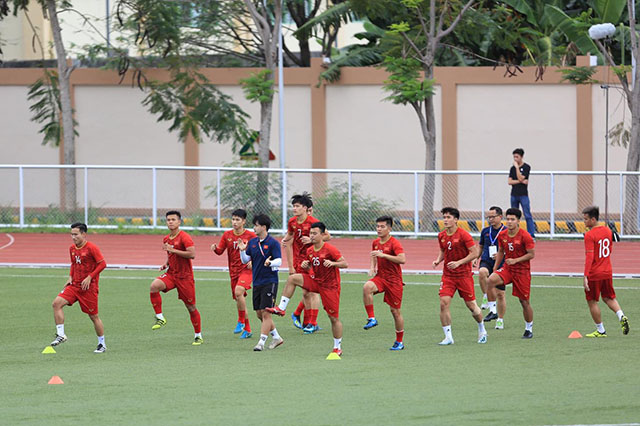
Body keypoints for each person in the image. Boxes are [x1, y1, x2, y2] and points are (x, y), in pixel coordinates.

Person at [268, 222, 348, 357]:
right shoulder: (309, 250)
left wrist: (334, 263)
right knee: (293, 278)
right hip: (316, 282)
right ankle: (281, 308)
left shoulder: (330, 249)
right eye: (310, 233)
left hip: (330, 287)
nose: (311, 236)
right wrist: (306, 265)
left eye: (314, 233)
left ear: (323, 235)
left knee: (333, 318)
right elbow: (311, 265)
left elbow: (344, 263)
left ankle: (337, 347)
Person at [50, 223, 108, 353]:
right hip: (74, 286)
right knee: (56, 304)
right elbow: (73, 263)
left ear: (84, 234)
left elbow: (103, 264)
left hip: (88, 288)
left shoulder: (92, 248)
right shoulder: (72, 248)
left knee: (93, 316)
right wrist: (70, 276)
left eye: (76, 234)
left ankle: (102, 344)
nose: (73, 237)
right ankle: (61, 335)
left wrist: (90, 277)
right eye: (71, 234)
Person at [432, 208, 486, 345]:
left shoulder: (464, 235)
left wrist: (459, 263)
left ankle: (482, 329)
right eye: (444, 217)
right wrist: (438, 260)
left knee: (472, 306)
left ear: (456, 219)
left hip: (464, 276)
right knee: (443, 303)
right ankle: (448, 337)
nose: (445, 219)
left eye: (448, 217)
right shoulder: (442, 235)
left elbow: (474, 253)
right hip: (448, 276)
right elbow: (444, 250)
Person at [149, 211, 202, 345]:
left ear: (179, 222)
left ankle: (198, 335)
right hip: (172, 274)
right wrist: (166, 263)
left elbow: (192, 254)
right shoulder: (166, 238)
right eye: (168, 220)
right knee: (154, 286)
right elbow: (170, 254)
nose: (170, 222)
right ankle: (160, 317)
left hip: (185, 277)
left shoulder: (185, 237)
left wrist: (173, 251)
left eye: (173, 219)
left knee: (191, 307)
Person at [281, 193, 327, 334]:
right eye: (293, 206)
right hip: (299, 261)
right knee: (306, 292)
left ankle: (311, 322)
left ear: (305, 208)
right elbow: (290, 234)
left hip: (313, 261)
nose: (294, 209)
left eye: (297, 206)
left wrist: (312, 240)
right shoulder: (292, 222)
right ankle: (309, 323)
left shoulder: (313, 222)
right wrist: (284, 239)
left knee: (313, 292)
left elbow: (327, 236)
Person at [486, 208, 535, 338]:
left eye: (512, 219)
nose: (509, 222)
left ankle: (528, 328)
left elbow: (531, 254)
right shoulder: (503, 235)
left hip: (522, 272)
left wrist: (516, 260)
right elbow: (501, 251)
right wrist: (496, 269)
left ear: (518, 221)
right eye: (508, 219)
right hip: (508, 269)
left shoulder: (525, 236)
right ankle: (492, 310)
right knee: (490, 279)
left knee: (524, 302)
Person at [237, 214, 284, 352]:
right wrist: (242, 250)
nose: (254, 228)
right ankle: (276, 337)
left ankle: (261, 342)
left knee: (266, 313)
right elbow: (245, 260)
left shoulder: (273, 243)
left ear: (264, 227)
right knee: (259, 314)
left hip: (270, 281)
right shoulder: (252, 243)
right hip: (257, 281)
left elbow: (279, 261)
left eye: (256, 225)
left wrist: (270, 262)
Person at [581, 206, 630, 337]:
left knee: (592, 301)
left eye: (586, 219)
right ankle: (621, 315)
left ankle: (600, 330)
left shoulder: (589, 235)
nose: (584, 222)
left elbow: (589, 256)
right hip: (607, 271)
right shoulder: (608, 231)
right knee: (609, 297)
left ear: (593, 219)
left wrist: (585, 275)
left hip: (595, 273)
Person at [362, 216, 407, 350]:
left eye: (382, 227)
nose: (379, 229)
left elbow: (402, 259)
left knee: (395, 312)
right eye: (377, 226)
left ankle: (399, 342)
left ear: (389, 228)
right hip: (381, 277)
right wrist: (372, 267)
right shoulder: (376, 242)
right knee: (367, 287)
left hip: (394, 281)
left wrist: (384, 256)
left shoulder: (394, 243)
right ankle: (372, 318)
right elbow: (374, 255)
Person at [211, 209, 257, 339]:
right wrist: (215, 249)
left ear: (244, 221)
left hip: (246, 270)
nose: (234, 222)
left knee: (238, 292)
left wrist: (253, 261)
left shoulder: (251, 236)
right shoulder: (227, 235)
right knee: (239, 298)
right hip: (233, 271)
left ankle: (241, 321)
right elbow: (220, 251)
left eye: (237, 220)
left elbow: (258, 250)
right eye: (233, 219)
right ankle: (247, 329)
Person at [476, 206, 507, 329]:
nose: (491, 219)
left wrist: (501, 254)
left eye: (493, 217)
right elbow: (481, 247)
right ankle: (491, 307)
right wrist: (475, 258)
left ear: (500, 217)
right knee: (482, 272)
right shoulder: (485, 231)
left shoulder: (506, 231)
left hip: (501, 264)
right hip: (487, 261)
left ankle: (500, 319)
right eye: (489, 217)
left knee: (500, 294)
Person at [508, 148, 535, 239]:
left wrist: (517, 168)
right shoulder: (512, 168)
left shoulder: (526, 167)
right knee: (513, 215)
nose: (515, 159)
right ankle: (515, 233)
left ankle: (531, 234)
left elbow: (520, 178)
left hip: (523, 195)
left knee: (527, 214)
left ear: (521, 157)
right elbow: (510, 181)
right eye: (514, 157)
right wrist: (520, 181)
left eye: (517, 157)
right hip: (514, 194)